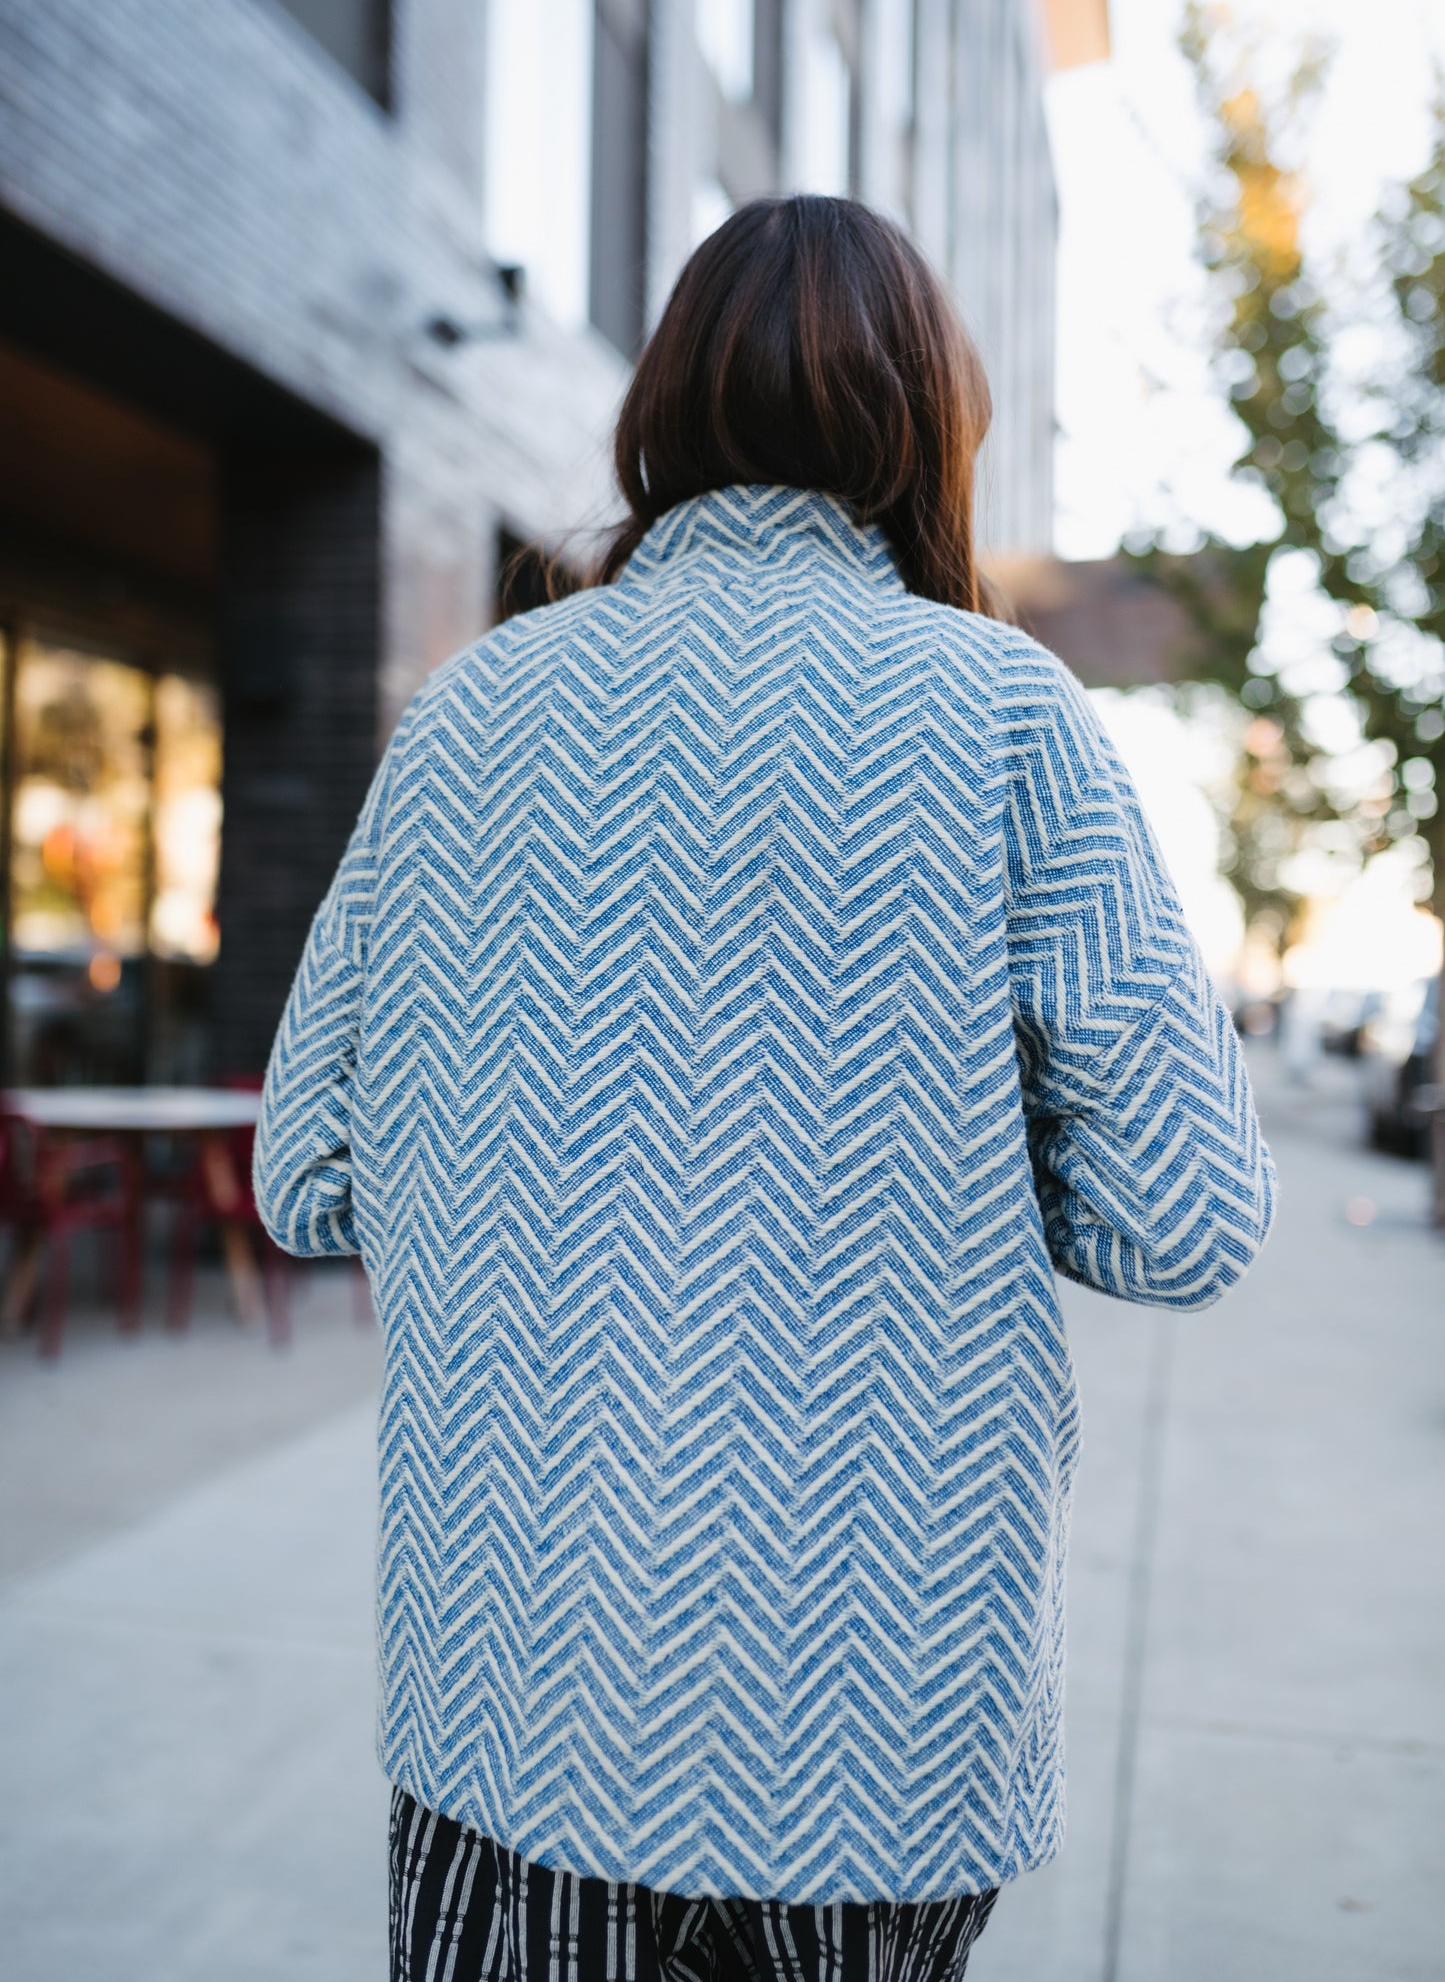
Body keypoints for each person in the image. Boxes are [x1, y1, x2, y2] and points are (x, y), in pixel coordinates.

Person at [254, 195, 1278, 1982]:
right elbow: (1182, 1220)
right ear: (921, 420)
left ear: (664, 403)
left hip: (509, 1685)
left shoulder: (471, 718)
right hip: (864, 1727)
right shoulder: (1005, 720)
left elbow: (304, 1178)